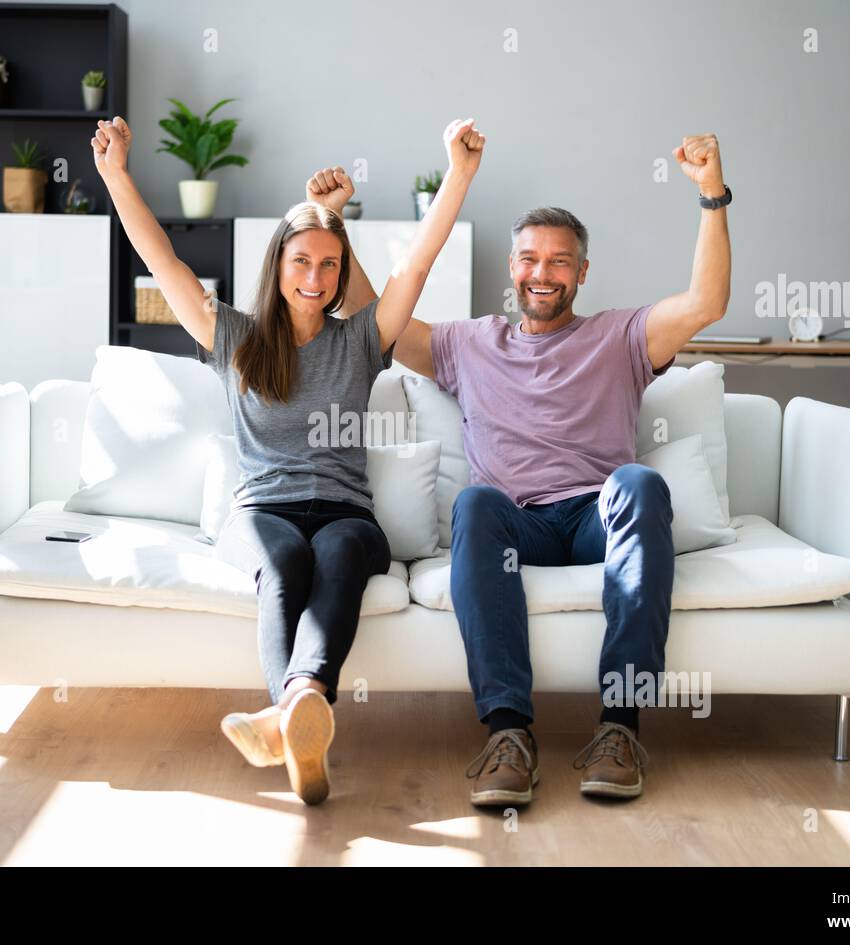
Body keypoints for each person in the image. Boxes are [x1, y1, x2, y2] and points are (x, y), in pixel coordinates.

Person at [91, 114, 486, 804]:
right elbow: (165, 264)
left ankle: (288, 715)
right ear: (278, 265)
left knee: (337, 555)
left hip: (347, 514)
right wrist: (117, 177)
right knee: (285, 566)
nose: (315, 275)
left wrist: (458, 174)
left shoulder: (362, 340)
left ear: (339, 275)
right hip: (262, 511)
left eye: (329, 264)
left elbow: (414, 265)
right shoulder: (237, 338)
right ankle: (301, 708)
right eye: (301, 260)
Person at [347, 134, 732, 804]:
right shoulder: (465, 344)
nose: (543, 272)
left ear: (582, 272)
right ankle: (508, 734)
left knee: (640, 483)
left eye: (560, 261)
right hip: (512, 523)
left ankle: (620, 727)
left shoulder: (622, 335)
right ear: (512, 267)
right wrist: (333, 223)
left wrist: (711, 193)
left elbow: (706, 302)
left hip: (594, 519)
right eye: (530, 258)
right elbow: (375, 317)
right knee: (474, 503)